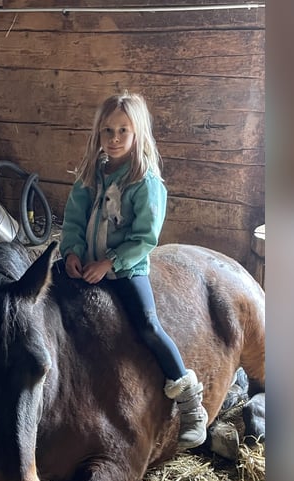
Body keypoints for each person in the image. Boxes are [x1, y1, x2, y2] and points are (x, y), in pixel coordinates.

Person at [59, 91, 208, 449]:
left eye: (123, 131)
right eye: (107, 131)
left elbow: (145, 238)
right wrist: (71, 253)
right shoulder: (91, 173)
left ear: (138, 132)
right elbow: (74, 219)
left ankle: (190, 404)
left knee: (147, 325)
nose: (113, 139)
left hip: (125, 268)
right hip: (87, 264)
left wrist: (109, 263)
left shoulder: (145, 182)